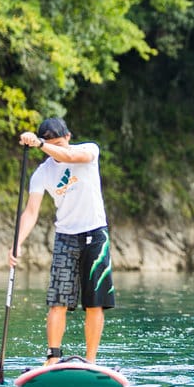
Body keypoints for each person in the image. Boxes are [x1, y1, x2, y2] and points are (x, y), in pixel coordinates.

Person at [10, 117, 115, 366]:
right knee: (57, 301)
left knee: (94, 303)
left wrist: (39, 144)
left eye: (60, 143)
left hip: (95, 234)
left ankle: (91, 361)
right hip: (65, 238)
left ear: (68, 136)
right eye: (52, 145)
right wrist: (17, 242)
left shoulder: (88, 150)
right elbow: (31, 212)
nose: (58, 149)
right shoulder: (42, 173)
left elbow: (69, 158)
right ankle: (52, 357)